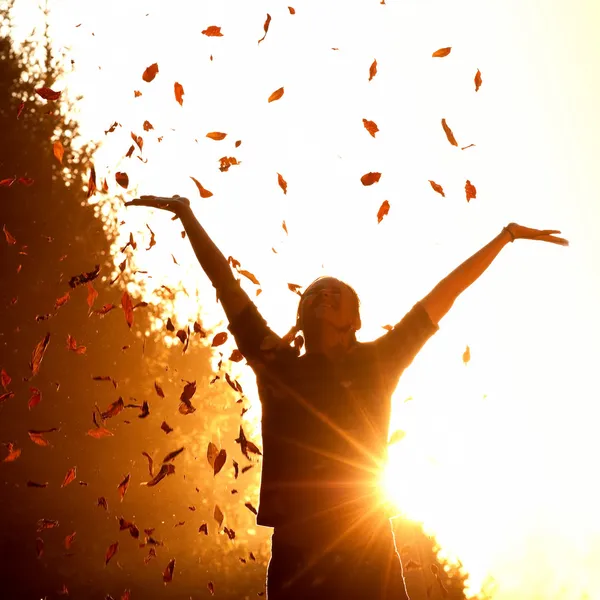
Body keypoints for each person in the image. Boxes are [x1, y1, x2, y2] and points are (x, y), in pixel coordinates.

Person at [125, 195, 568, 599]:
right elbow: (227, 285)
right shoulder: (276, 365)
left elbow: (443, 295)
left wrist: (504, 237)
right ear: (300, 315)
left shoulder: (377, 363)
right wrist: (187, 213)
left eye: (334, 295)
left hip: (367, 545)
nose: (322, 296)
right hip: (297, 551)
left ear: (354, 320)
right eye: (315, 293)